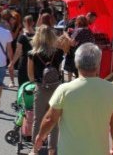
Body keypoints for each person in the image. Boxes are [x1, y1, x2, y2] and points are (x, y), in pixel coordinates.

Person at [31, 43, 113, 155]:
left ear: (76, 63)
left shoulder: (64, 90)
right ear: (98, 64)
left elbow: (50, 119)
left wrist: (40, 137)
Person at [28, 24, 64, 155]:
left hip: (41, 87)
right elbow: (59, 70)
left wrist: (36, 82)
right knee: (54, 119)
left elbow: (30, 75)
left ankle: (35, 148)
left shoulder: (33, 54)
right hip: (56, 88)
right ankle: (52, 149)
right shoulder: (58, 52)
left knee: (38, 119)